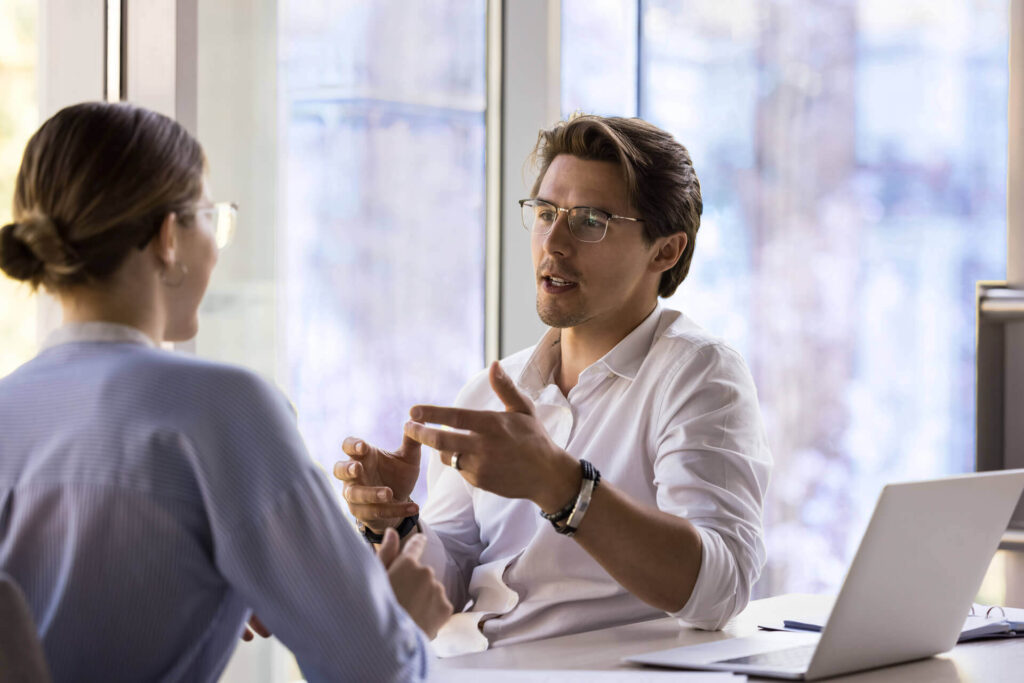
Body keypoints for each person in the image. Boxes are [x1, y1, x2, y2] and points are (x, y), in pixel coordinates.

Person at [0, 102, 451, 682]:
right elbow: (373, 672)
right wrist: (402, 620)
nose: (217, 246)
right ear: (168, 236)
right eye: (212, 217)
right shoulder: (224, 410)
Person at [335, 114, 772, 656]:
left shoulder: (698, 375)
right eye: (545, 213)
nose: (554, 242)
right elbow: (449, 581)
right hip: (464, 665)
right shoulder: (493, 388)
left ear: (665, 251)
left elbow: (722, 589)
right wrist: (399, 520)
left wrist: (563, 486)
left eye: (590, 220)